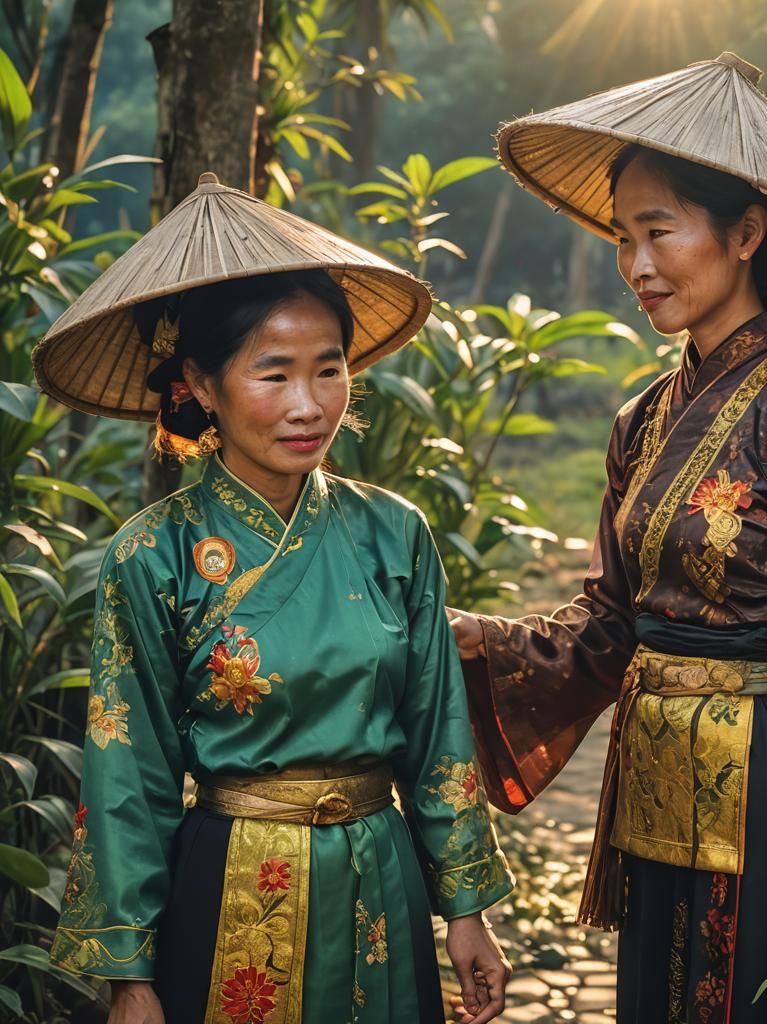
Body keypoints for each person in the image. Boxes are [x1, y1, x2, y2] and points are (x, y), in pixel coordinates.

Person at [450, 54, 767, 1023]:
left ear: (745, 234)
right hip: (656, 789)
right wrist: (464, 637)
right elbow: (606, 625)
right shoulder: (640, 423)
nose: (637, 266)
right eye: (624, 237)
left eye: (658, 231)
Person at [37, 174, 513, 1023]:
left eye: (329, 370)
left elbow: (438, 731)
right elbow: (128, 774)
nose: (308, 405)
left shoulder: (394, 534)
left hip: (381, 879)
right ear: (202, 383)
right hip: (233, 886)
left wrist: (466, 911)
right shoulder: (155, 554)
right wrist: (129, 975)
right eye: (274, 374)